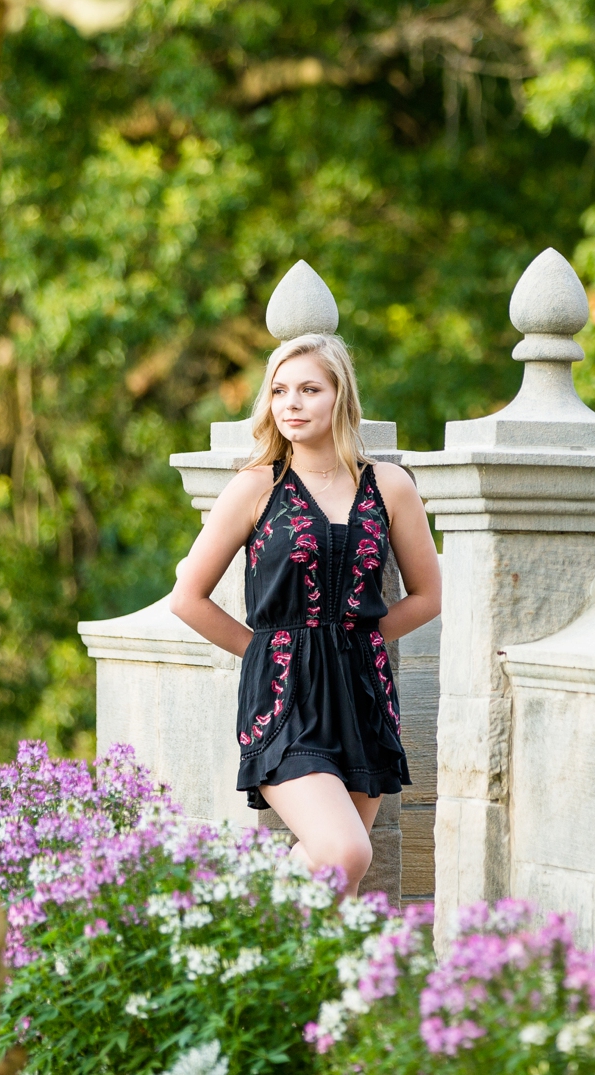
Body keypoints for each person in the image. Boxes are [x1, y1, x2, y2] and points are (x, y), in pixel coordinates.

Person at [168, 333, 441, 895]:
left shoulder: (389, 486)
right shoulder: (255, 487)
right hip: (284, 695)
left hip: (363, 691)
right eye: (279, 390)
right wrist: (264, 653)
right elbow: (186, 597)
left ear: (341, 397)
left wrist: (360, 640)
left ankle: (274, 964)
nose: (291, 403)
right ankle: (249, 938)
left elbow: (428, 596)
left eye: (310, 389)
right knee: (344, 851)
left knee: (335, 877)